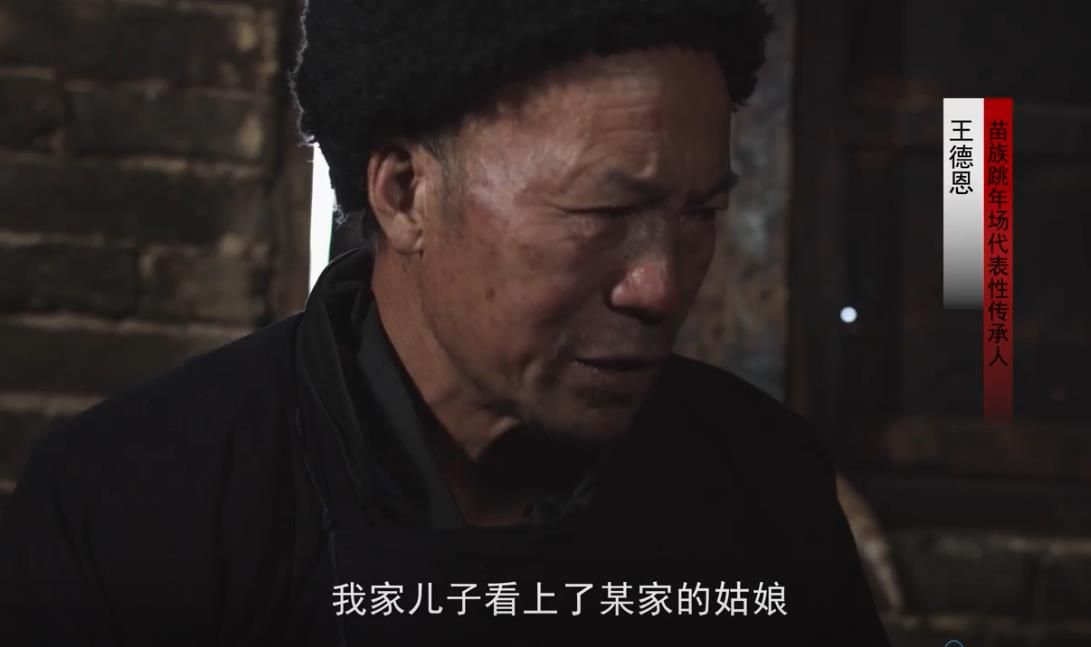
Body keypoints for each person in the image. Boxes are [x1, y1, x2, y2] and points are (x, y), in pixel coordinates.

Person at [0, 0, 891, 644]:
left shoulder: (764, 483)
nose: (659, 287)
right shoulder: (140, 504)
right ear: (405, 193)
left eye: (699, 214)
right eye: (601, 212)